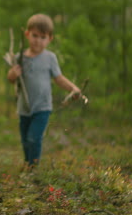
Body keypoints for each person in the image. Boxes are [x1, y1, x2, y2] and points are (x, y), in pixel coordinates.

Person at [7, 13, 81, 168]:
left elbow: (59, 78)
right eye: (34, 35)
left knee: (34, 138)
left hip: (42, 107)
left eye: (43, 37)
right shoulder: (20, 57)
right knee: (25, 139)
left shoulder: (50, 58)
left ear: (50, 39)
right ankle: (28, 164)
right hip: (24, 107)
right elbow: (11, 79)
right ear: (27, 34)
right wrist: (13, 74)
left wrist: (73, 88)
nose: (38, 40)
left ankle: (33, 168)